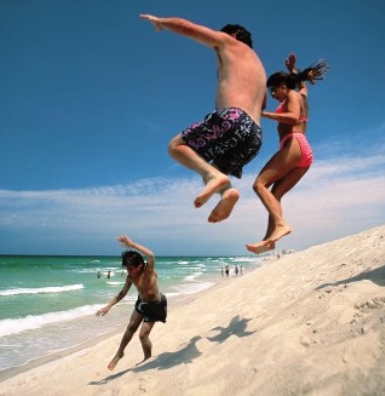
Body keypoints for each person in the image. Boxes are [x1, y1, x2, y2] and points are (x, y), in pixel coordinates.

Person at [140, 14, 266, 223]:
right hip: (254, 136)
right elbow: (262, 106)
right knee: (213, 168)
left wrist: (161, 22)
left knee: (177, 147)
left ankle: (215, 178)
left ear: (233, 35)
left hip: (233, 117)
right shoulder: (260, 69)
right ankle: (227, 192)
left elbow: (185, 26)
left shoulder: (230, 43)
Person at [246, 54, 328, 254]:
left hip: (294, 144)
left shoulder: (291, 95)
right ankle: (269, 240)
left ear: (283, 85)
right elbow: (303, 87)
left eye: (274, 90)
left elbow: (292, 117)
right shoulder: (300, 95)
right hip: (303, 153)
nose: (273, 95)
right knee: (275, 194)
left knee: (259, 184)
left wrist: (262, 114)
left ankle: (281, 225)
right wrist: (294, 70)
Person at [96, 235, 167, 371]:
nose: (128, 272)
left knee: (143, 335)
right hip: (142, 303)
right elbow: (122, 294)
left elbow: (151, 256)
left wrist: (131, 244)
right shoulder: (130, 278)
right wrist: (108, 307)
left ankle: (147, 358)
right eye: (127, 269)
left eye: (130, 268)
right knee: (130, 328)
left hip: (155, 305)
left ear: (140, 266)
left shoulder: (149, 272)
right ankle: (119, 354)